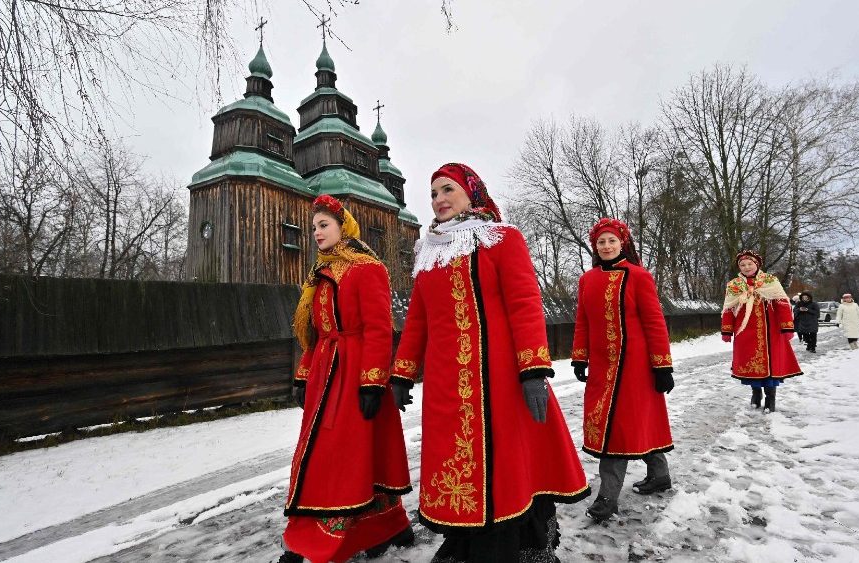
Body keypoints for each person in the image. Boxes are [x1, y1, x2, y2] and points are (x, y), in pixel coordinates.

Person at [390, 163, 589, 563]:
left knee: (505, 463)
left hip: (499, 380)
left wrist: (533, 369)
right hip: (448, 383)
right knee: (455, 462)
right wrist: (402, 373)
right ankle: (465, 539)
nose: (439, 200)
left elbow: (524, 303)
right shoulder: (428, 250)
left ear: (471, 193)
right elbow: (418, 319)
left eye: (447, 189)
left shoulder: (500, 238)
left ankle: (506, 544)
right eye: (433, 194)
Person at [280, 195, 413, 563]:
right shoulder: (319, 275)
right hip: (326, 372)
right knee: (322, 455)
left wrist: (372, 382)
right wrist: (303, 376)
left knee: (352, 456)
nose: (317, 233)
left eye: (324, 225)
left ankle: (363, 528)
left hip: (355, 373)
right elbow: (316, 334)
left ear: (344, 227)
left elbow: (378, 328)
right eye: (313, 228)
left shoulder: (367, 268)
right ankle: (316, 529)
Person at [571, 218, 675, 523]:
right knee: (631, 425)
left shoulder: (639, 277)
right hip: (604, 369)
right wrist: (580, 357)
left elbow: (655, 322)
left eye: (611, 241)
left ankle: (607, 499)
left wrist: (662, 365)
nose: (606, 247)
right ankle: (660, 475)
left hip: (636, 368)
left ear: (623, 243)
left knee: (619, 430)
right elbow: (583, 321)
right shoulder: (587, 280)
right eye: (600, 242)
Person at [720, 251, 802, 413]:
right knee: (750, 365)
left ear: (757, 264)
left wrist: (787, 327)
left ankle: (770, 398)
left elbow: (782, 304)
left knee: (772, 364)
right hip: (745, 333)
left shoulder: (770, 281)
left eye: (750, 264)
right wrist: (726, 330)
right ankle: (756, 393)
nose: (746, 267)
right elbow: (728, 309)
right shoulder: (734, 285)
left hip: (771, 332)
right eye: (743, 265)